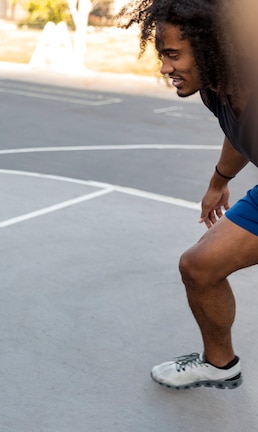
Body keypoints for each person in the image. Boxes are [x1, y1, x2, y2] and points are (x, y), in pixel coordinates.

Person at [116, 0, 258, 390]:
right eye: (163, 55)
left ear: (215, 47)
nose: (165, 68)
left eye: (173, 55)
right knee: (199, 267)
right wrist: (218, 181)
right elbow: (238, 132)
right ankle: (220, 364)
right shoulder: (216, 88)